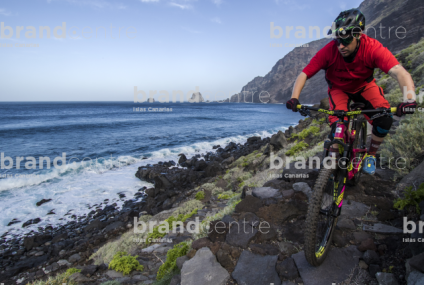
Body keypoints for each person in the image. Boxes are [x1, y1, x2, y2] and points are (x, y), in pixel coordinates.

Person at [286, 8, 417, 175]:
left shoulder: (372, 48)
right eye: (337, 40)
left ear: (358, 35)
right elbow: (304, 74)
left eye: (346, 40)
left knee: (384, 121)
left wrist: (409, 99)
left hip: (365, 86)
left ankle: (370, 155)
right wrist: (294, 98)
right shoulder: (328, 51)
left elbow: (399, 72)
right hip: (339, 89)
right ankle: (332, 165)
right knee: (338, 126)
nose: (341, 46)